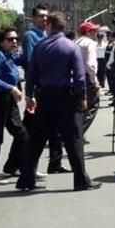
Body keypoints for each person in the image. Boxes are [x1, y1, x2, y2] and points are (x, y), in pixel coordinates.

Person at [18, 13, 101, 192]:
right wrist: (82, 97)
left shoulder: (40, 46)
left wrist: (29, 95)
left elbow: (31, 73)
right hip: (66, 98)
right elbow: (79, 76)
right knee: (74, 140)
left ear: (49, 26)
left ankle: (26, 179)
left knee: (37, 140)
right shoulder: (71, 47)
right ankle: (81, 180)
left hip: (44, 96)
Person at [0, 27, 28, 185]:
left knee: (22, 133)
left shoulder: (10, 56)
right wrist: (12, 88)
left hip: (10, 101)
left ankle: (13, 166)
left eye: (16, 39)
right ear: (2, 42)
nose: (14, 41)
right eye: (10, 39)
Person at [75, 21, 102, 136]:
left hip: (74, 78)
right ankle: (78, 133)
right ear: (88, 32)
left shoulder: (74, 42)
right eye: (94, 31)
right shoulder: (90, 43)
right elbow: (90, 65)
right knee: (93, 105)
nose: (96, 33)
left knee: (78, 107)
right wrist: (94, 81)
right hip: (86, 78)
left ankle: (75, 131)